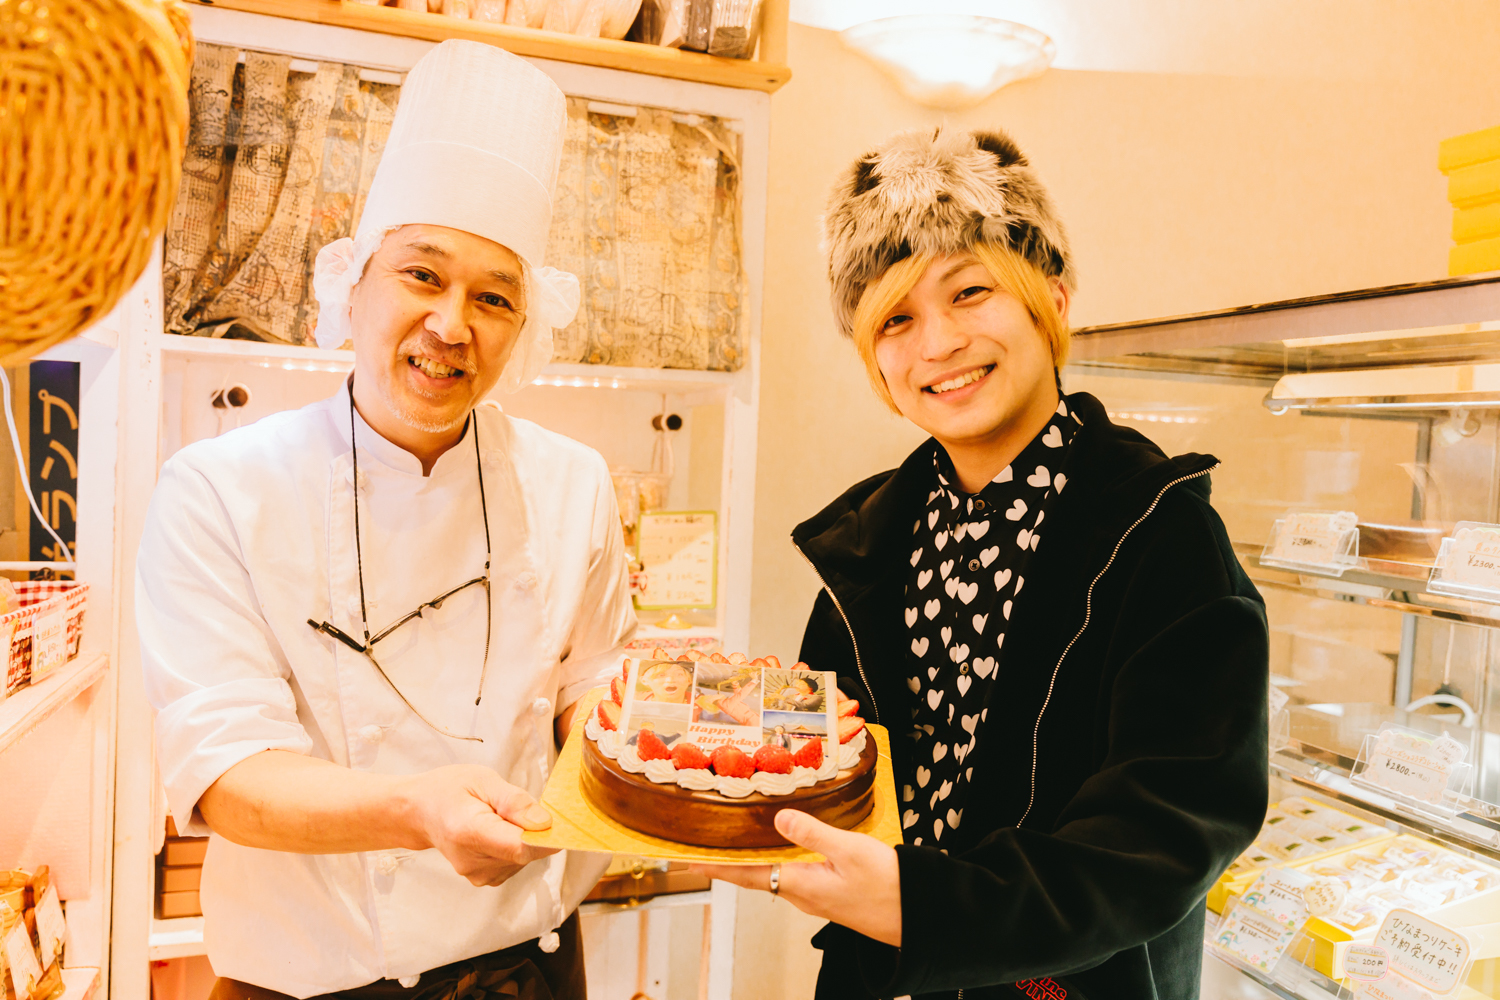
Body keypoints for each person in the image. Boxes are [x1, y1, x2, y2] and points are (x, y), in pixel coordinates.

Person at [694, 126, 1268, 999]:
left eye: (970, 293)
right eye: (896, 318)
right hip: (879, 974)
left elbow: (1171, 828)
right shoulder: (871, 537)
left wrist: (928, 905)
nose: (938, 345)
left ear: (1055, 297)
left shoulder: (1160, 533)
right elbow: (832, 757)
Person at [138, 41, 634, 1000]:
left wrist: (651, 748)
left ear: (521, 330)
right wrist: (420, 810)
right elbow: (229, 776)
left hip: (529, 972)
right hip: (309, 985)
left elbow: (593, 683)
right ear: (352, 282)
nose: (454, 325)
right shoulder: (218, 489)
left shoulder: (574, 482)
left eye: (494, 297)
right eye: (422, 275)